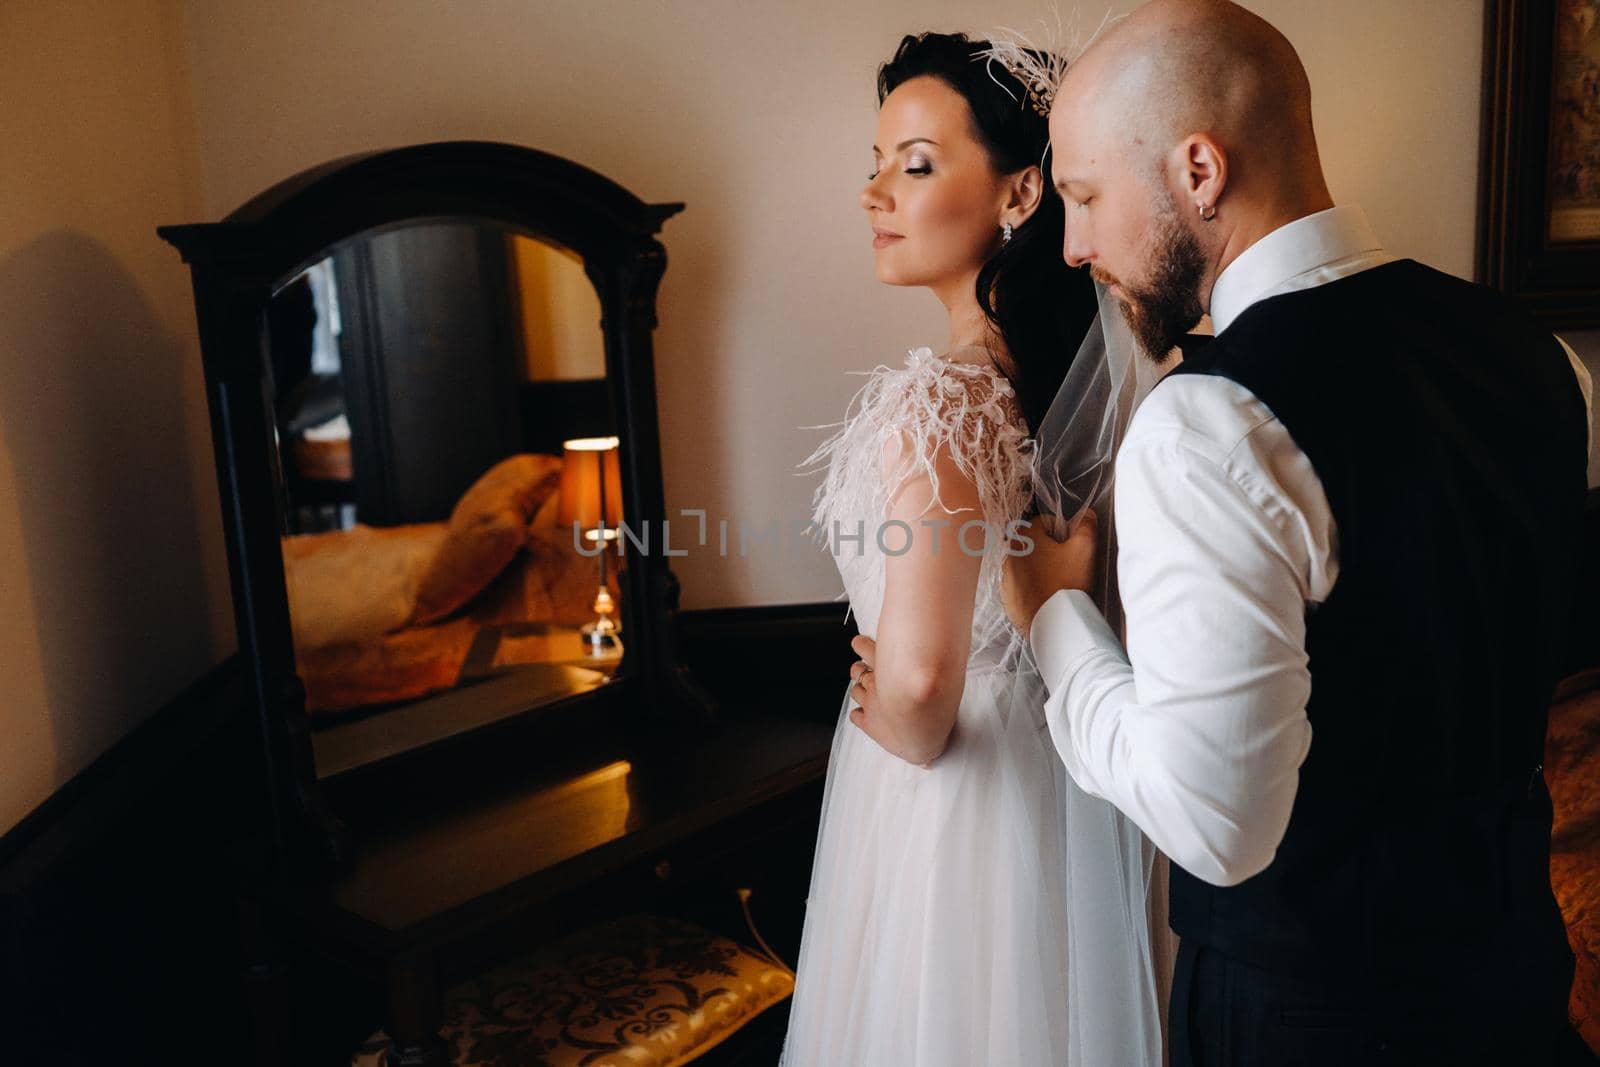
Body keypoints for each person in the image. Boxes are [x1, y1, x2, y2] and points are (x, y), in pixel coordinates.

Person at [998, 2, 1598, 1064]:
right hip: (1512, 971)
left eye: (1086, 196)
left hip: (1313, 1014)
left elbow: (1215, 822)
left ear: (1197, 170)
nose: (1077, 244)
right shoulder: (1540, 355)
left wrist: (1053, 622)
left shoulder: (1205, 421)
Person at [782, 30, 1162, 1066]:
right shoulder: (1060, 398)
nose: (873, 195)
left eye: (913, 164)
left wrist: (887, 705)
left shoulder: (940, 401)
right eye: (874, 166)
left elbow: (917, 681)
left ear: (1020, 194)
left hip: (959, 807)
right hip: (1062, 781)